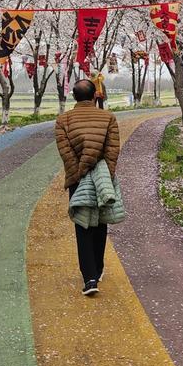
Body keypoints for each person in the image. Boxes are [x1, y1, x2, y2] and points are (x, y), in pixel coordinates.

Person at [54, 78, 120, 295]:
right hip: (101, 177)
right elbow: (112, 151)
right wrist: (106, 175)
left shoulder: (63, 120)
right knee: (100, 222)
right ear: (94, 96)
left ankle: (89, 278)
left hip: (77, 179)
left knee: (82, 225)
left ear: (74, 97)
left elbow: (66, 153)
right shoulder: (108, 118)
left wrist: (78, 174)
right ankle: (98, 268)